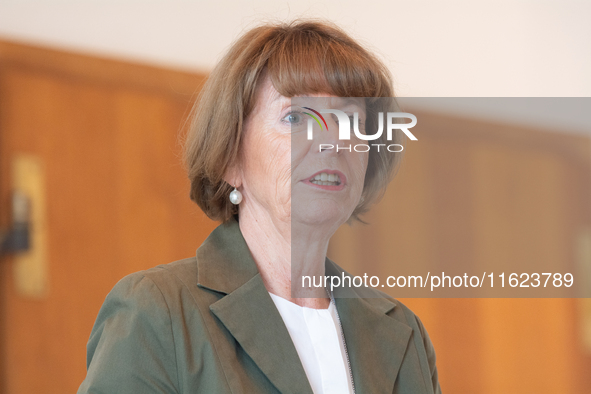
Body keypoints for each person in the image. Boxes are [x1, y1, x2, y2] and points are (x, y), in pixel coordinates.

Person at [78, 20, 441, 394]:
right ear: (230, 159)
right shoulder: (158, 312)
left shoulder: (404, 332)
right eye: (296, 117)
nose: (332, 143)